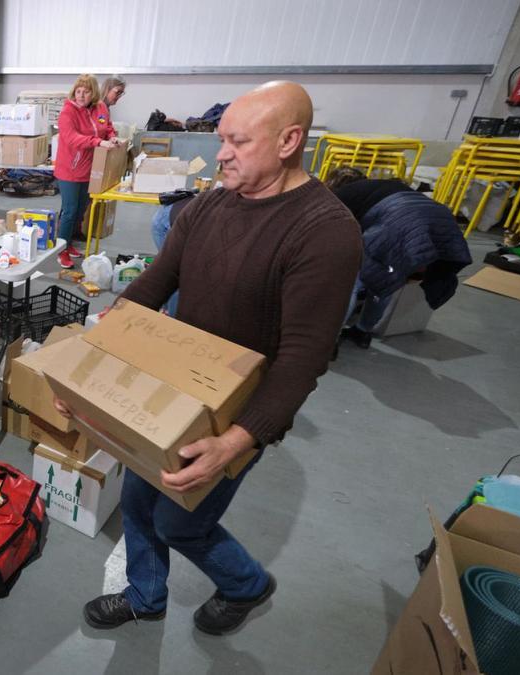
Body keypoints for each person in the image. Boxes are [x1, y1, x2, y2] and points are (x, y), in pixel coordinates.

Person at [61, 82, 362, 635]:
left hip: (234, 409)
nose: (220, 153)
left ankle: (246, 585)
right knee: (136, 494)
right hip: (173, 383)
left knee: (181, 521)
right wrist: (95, 347)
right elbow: (158, 279)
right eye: (222, 139)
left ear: (289, 141)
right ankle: (145, 596)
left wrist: (235, 441)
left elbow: (303, 357)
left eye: (238, 142)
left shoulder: (323, 232)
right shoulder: (212, 203)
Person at [324, 167, 472, 348]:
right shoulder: (381, 186)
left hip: (399, 223)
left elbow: (330, 236)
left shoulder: (341, 196)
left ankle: (329, 341)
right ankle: (363, 331)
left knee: (352, 283)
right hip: (443, 223)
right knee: (384, 281)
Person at [53, 74, 124, 269]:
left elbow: (106, 126)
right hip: (70, 170)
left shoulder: (100, 108)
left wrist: (112, 136)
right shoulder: (68, 111)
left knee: (81, 209)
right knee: (69, 210)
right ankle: (61, 250)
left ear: (94, 93)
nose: (81, 96)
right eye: (78, 92)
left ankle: (70, 243)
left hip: (90, 169)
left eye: (86, 92)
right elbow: (71, 138)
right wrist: (98, 142)